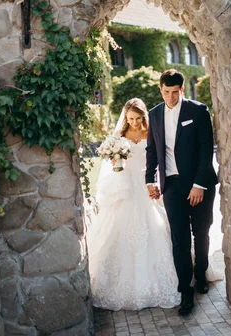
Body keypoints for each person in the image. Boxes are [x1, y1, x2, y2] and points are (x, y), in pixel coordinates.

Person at [87, 98, 180, 311]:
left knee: (156, 228)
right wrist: (114, 162)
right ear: (125, 118)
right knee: (119, 229)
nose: (135, 123)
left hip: (147, 185)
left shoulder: (152, 133)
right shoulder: (119, 137)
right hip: (126, 186)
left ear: (144, 117)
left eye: (138, 118)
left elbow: (160, 160)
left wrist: (155, 183)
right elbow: (112, 166)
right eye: (131, 119)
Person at [146, 69, 219, 315]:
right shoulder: (154, 114)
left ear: (182, 90)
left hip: (199, 185)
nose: (170, 97)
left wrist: (199, 184)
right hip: (172, 187)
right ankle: (185, 290)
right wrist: (149, 180)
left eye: (174, 92)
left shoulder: (197, 111)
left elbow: (206, 149)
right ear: (160, 89)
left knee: (201, 232)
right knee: (179, 238)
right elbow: (152, 151)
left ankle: (201, 275)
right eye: (166, 92)